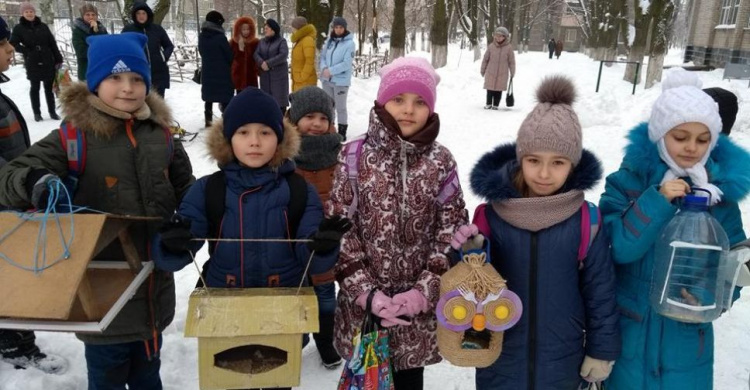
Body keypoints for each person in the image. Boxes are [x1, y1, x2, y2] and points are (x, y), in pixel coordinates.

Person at [0, 32, 195, 389]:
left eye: (137, 78)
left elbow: (187, 192)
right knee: (106, 375)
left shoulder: (162, 135)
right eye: (115, 78)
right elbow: (9, 176)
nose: (127, 88)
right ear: (94, 83)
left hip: (153, 287)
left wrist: (187, 228)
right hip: (100, 294)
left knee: (148, 374)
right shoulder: (73, 137)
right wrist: (36, 183)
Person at [151, 88, 350, 390]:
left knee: (275, 381)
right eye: (243, 132)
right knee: (230, 380)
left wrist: (322, 246)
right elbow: (180, 249)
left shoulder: (298, 190)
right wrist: (173, 242)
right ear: (228, 138)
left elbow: (309, 250)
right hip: (225, 308)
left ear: (280, 139)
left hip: (282, 308)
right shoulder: (209, 189)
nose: (254, 141)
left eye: (265, 132)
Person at [452, 75, 620, 389]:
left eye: (558, 162)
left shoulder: (586, 220)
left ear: (573, 164)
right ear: (520, 159)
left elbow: (600, 293)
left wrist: (601, 350)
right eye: (533, 160)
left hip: (563, 360)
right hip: (500, 358)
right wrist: (465, 252)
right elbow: (468, 286)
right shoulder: (490, 215)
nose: (544, 173)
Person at [600, 69, 750, 389]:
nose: (691, 148)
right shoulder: (628, 182)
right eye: (680, 137)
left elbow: (736, 263)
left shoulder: (719, 196)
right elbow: (616, 249)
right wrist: (655, 201)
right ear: (660, 134)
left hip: (686, 337)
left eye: (702, 139)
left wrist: (709, 295)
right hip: (631, 330)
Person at [330, 57, 468, 390]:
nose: (408, 109)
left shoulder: (441, 161)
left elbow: (450, 230)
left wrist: (422, 292)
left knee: (409, 381)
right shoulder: (352, 156)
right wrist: (367, 294)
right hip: (364, 312)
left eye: (420, 101)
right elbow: (339, 231)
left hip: (414, 319)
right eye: (398, 99)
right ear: (381, 102)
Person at [0, 14, 67, 375]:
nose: (11, 49)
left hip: (8, 201)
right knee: (6, 276)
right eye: (2, 44)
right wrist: (28, 182)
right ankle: (14, 345)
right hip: (5, 202)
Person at [288, 86, 343, 368]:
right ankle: (298, 337)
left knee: (324, 295)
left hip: (326, 242)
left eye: (323, 117)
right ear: (294, 119)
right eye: (309, 116)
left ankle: (325, 339)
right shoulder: (283, 155)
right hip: (292, 241)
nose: (317, 124)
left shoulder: (339, 155)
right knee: (296, 291)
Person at [10, 2, 63, 122]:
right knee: (35, 87)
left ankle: (52, 111)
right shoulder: (19, 28)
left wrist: (58, 57)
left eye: (31, 11)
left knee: (49, 88)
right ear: (22, 14)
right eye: (26, 12)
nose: (29, 13)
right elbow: (13, 43)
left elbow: (52, 43)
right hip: (32, 61)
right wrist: (27, 51)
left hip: (47, 59)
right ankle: (37, 113)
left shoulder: (43, 26)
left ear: (35, 12)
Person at [122, 2, 174, 98]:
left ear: (148, 14)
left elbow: (169, 46)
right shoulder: (128, 30)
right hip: (137, 73)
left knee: (158, 104)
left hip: (157, 72)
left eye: (143, 13)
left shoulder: (157, 29)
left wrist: (163, 57)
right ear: (134, 15)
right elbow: (122, 49)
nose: (141, 16)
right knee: (140, 103)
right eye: (138, 13)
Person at [319, 17, 354, 140]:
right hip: (327, 80)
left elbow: (346, 63)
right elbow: (322, 57)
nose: (338, 30)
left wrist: (331, 71)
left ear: (344, 28)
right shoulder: (330, 41)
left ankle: (342, 132)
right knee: (329, 106)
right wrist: (324, 69)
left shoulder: (349, 43)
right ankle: (330, 128)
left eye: (341, 27)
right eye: (336, 27)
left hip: (340, 81)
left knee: (340, 107)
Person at [198, 10, 233, 128]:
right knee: (225, 97)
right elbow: (229, 55)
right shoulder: (220, 37)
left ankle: (208, 121)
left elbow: (202, 52)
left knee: (209, 97)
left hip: (208, 71)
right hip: (222, 72)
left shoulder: (202, 36)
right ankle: (227, 119)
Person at [254, 18, 289, 113]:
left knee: (279, 103)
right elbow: (256, 54)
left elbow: (283, 55)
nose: (265, 30)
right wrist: (261, 63)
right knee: (266, 103)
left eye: (267, 28)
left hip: (278, 77)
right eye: (264, 28)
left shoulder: (281, 41)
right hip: (265, 77)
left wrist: (268, 63)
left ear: (273, 29)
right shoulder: (262, 42)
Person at [480, 27, 515, 110]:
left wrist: (512, 72)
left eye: (500, 36)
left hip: (502, 73)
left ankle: (496, 104)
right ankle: (488, 103)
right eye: (497, 36)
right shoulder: (491, 46)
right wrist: (483, 70)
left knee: (498, 90)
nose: (498, 38)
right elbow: (485, 59)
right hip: (490, 72)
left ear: (505, 37)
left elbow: (511, 62)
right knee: (489, 89)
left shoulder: (509, 48)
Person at [71, 4, 108, 81]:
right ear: (83, 16)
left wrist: (96, 31)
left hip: (102, 70)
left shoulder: (101, 29)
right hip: (86, 71)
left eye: (93, 14)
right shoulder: (78, 31)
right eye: (87, 14)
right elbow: (81, 52)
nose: (91, 17)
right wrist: (99, 50)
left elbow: (108, 44)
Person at [230, 16, 259, 94]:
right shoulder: (233, 42)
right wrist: (240, 49)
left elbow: (258, 57)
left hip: (251, 75)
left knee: (252, 97)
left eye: (248, 29)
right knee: (239, 97)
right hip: (238, 75)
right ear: (239, 30)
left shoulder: (255, 42)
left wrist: (257, 69)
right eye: (244, 29)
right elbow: (230, 58)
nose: (246, 31)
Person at [290, 16, 317, 92]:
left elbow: (309, 61)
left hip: (305, 82)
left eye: (293, 27)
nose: (292, 30)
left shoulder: (307, 40)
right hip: (299, 82)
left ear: (298, 28)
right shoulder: (300, 40)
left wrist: (302, 77)